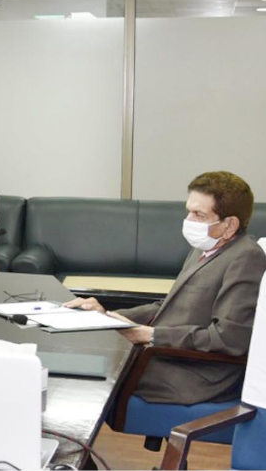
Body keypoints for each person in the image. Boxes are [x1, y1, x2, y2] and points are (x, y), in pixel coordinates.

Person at [66, 171, 266, 405]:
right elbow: (168, 306)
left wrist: (150, 335)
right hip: (167, 358)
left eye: (199, 215)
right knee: (80, 363)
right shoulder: (204, 247)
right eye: (188, 211)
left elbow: (228, 338)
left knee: (87, 375)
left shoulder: (246, 257)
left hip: (193, 375)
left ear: (230, 225)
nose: (188, 220)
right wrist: (108, 317)